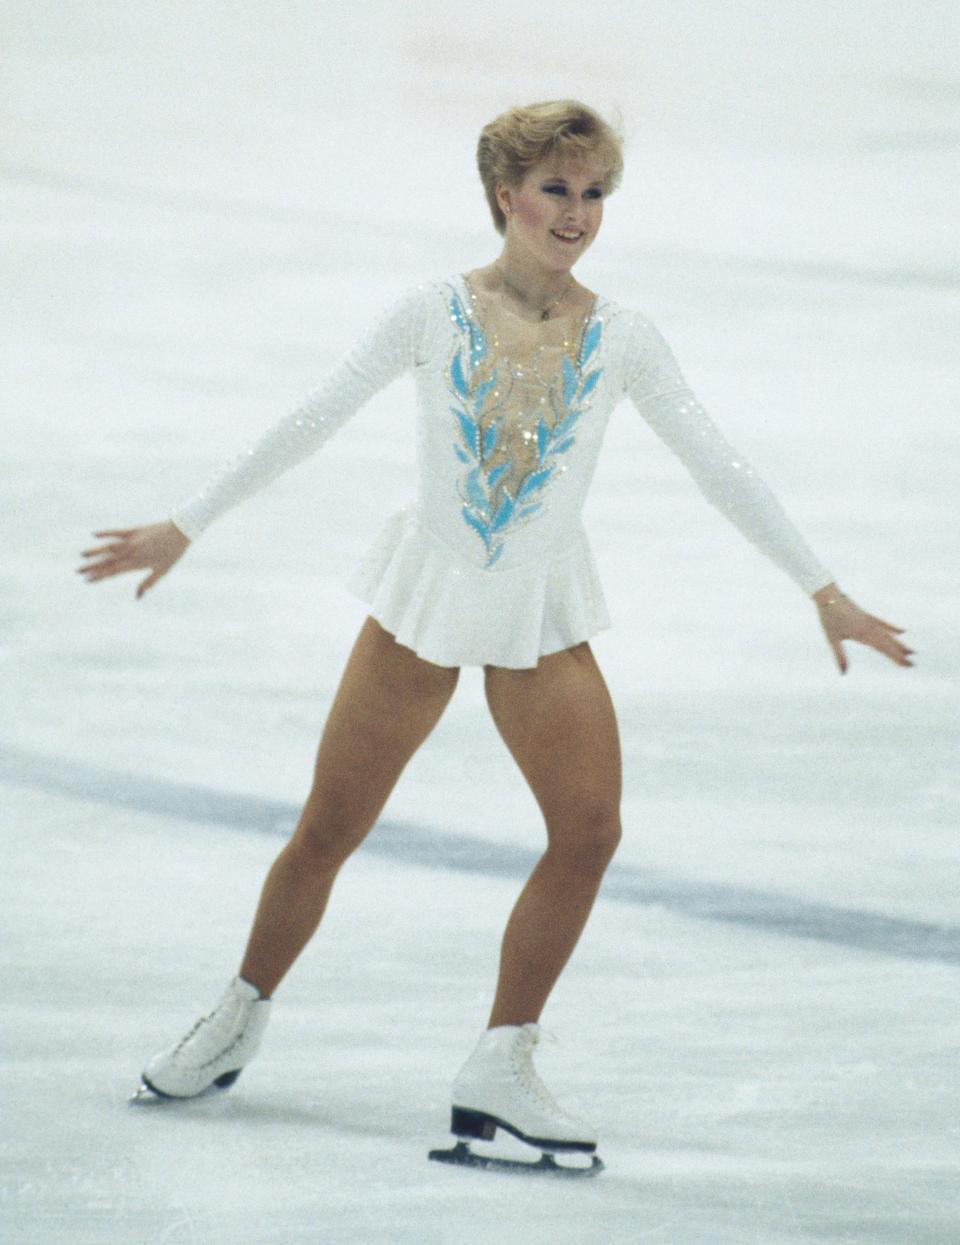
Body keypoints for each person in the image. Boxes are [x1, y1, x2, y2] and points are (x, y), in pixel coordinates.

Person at [77, 100, 913, 1171]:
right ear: (506, 197)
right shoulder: (433, 311)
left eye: (595, 192)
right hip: (427, 601)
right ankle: (240, 1013)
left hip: (536, 609)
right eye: (557, 190)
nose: (577, 214)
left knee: (591, 830)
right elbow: (310, 416)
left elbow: (721, 464)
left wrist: (822, 588)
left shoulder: (624, 337)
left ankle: (501, 1061)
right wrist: (184, 526)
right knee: (330, 826)